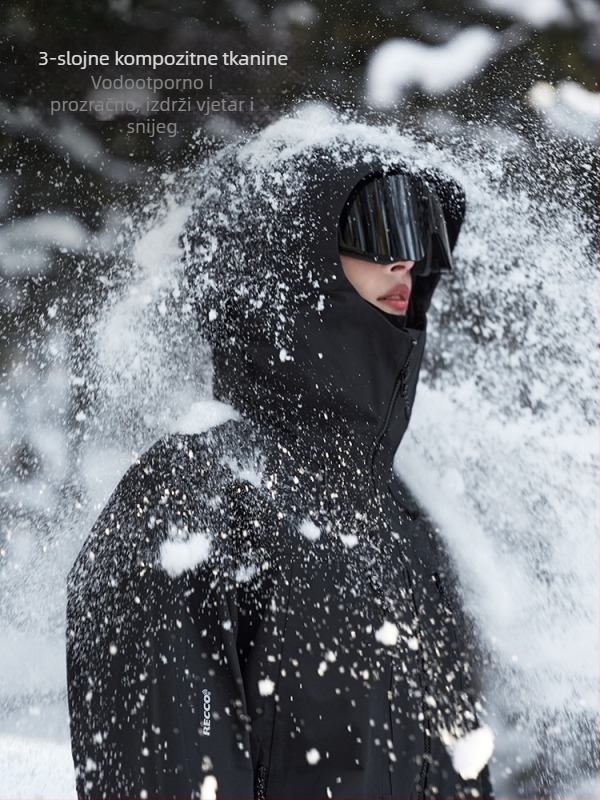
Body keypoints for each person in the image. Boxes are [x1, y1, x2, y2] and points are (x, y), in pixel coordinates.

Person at [66, 124, 494, 799]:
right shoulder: (186, 499)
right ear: (288, 260)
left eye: (423, 241)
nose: (406, 265)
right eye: (382, 230)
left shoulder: (401, 516)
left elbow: (458, 772)